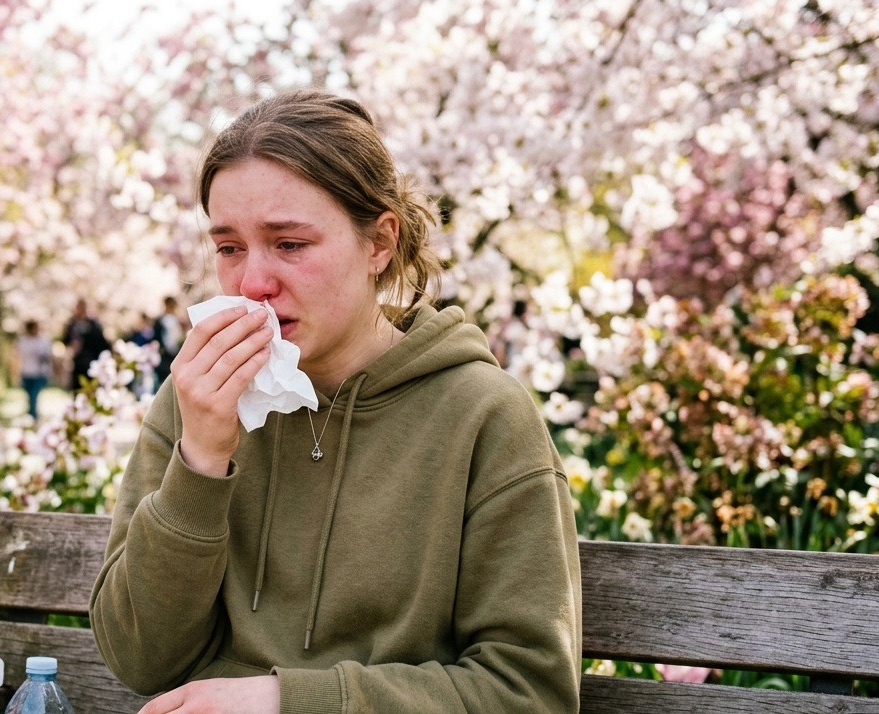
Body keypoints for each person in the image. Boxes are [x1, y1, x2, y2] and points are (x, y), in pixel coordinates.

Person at [90, 89, 582, 713]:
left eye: (289, 244)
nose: (253, 284)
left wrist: (286, 702)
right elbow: (140, 659)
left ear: (379, 243)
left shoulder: (482, 415)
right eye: (228, 247)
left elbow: (529, 693)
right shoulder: (199, 399)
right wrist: (201, 462)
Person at [61, 299, 109, 390]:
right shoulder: (72, 324)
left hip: (92, 360)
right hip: (77, 361)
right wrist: (72, 346)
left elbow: (101, 343)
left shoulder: (94, 324)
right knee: (77, 387)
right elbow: (65, 339)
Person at [13, 320, 53, 420]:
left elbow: (49, 356)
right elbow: (16, 356)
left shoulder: (43, 341)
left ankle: (33, 416)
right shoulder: (22, 341)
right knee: (29, 396)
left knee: (34, 395)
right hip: (26, 372)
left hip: (39, 373)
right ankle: (31, 414)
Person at [151, 296, 185, 390]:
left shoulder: (178, 321)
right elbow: (156, 338)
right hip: (163, 356)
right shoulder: (160, 321)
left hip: (176, 354)